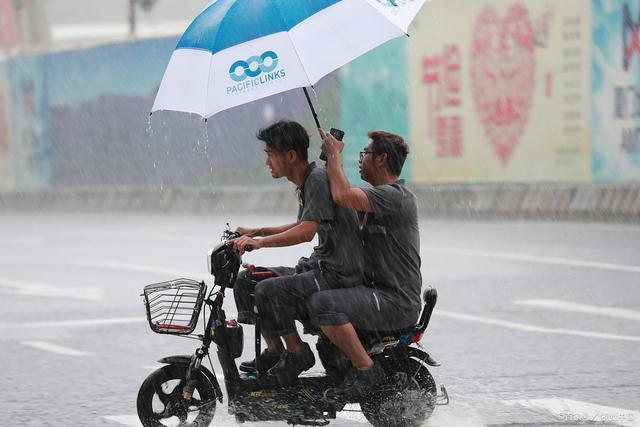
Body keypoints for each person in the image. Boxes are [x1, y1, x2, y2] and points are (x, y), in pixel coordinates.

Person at [229, 120, 364, 385]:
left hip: (337, 272)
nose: (267, 162)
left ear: (290, 155)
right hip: (321, 267)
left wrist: (261, 243)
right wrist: (258, 232)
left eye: (270, 154)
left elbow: (306, 232)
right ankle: (275, 349)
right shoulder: (307, 182)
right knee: (248, 281)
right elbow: (303, 223)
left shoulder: (315, 179)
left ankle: (297, 352)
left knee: (269, 290)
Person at [310, 129, 422, 399]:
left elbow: (343, 196)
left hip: (395, 300)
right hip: (377, 293)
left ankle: (365, 369)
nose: (361, 160)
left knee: (324, 304)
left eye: (365, 154)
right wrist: (330, 161)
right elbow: (342, 195)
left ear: (382, 159)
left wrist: (335, 155)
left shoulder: (396, 197)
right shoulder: (378, 198)